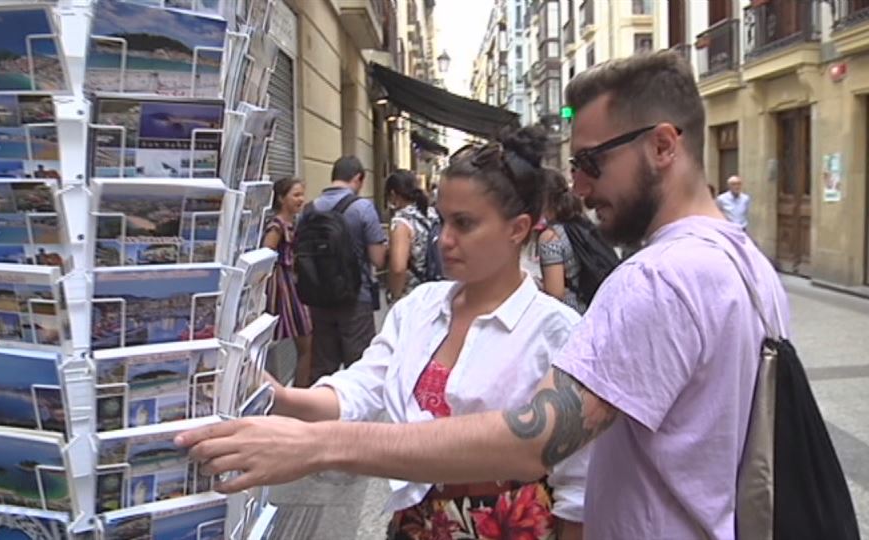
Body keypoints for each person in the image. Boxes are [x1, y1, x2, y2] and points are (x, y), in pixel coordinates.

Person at [178, 51, 790, 539]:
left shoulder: (659, 277)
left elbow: (536, 443)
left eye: (592, 162)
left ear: (663, 146)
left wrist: (316, 446)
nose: (576, 184)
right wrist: (287, 403)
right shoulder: (743, 261)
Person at [304, 156, 387, 384]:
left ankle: (321, 416)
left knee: (322, 368)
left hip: (318, 299)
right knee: (360, 370)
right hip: (355, 300)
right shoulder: (362, 208)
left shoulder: (309, 208)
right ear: (358, 178)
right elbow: (378, 259)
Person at [262, 177, 313, 387]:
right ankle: (296, 393)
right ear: (282, 198)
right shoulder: (277, 226)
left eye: (302, 194)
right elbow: (266, 254)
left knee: (306, 343)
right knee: (305, 342)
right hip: (284, 289)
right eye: (296, 195)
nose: (301, 199)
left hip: (292, 286)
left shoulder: (293, 223)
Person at [537, 168, 588, 313]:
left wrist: (536, 286)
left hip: (571, 312)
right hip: (591, 304)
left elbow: (555, 293)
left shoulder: (550, 237)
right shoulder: (581, 223)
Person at [384, 169, 439, 301]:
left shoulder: (401, 222)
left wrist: (395, 296)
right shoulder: (431, 214)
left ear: (393, 194)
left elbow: (398, 268)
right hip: (436, 289)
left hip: (413, 295)